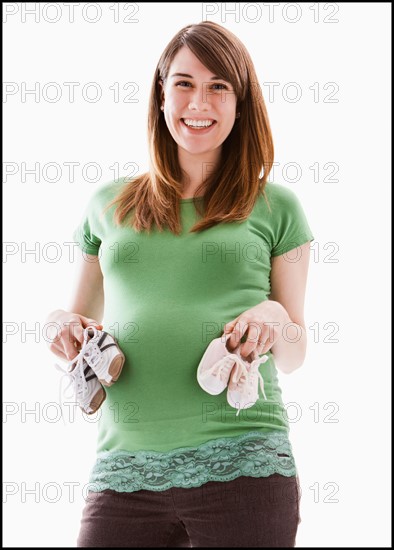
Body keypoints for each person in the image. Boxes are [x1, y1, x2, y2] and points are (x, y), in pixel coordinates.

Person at [47, 20, 314, 548]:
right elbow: (76, 322)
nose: (200, 102)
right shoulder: (107, 205)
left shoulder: (277, 207)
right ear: (161, 94)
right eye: (185, 83)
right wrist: (59, 326)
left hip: (242, 466)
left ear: (241, 104)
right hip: (124, 472)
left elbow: (295, 353)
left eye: (219, 86)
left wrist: (276, 318)